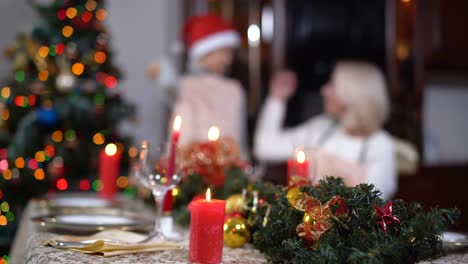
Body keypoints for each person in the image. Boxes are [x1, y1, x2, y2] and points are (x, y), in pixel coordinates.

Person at [254, 61, 397, 200]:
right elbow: (265, 148)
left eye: (332, 84)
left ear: (352, 94)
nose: (324, 90)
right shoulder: (321, 127)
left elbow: (375, 207)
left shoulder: (379, 144)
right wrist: (276, 99)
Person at [148, 14, 246, 149]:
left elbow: (239, 133)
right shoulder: (185, 86)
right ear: (204, 54)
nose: (227, 59)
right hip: (187, 161)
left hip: (226, 162)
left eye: (229, 53)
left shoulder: (234, 89)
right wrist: (161, 72)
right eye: (222, 52)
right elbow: (170, 87)